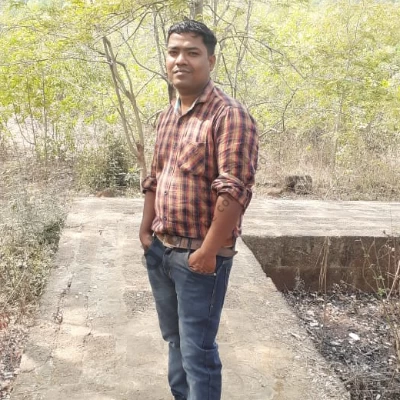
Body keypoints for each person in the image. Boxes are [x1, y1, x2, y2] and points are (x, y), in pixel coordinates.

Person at [139, 20, 258, 400]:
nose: (181, 60)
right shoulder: (167, 116)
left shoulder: (229, 115)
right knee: (174, 339)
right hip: (161, 250)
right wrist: (145, 231)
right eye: (174, 52)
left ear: (211, 60)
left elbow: (234, 189)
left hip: (198, 258)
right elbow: (155, 176)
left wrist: (207, 252)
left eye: (192, 52)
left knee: (198, 352)